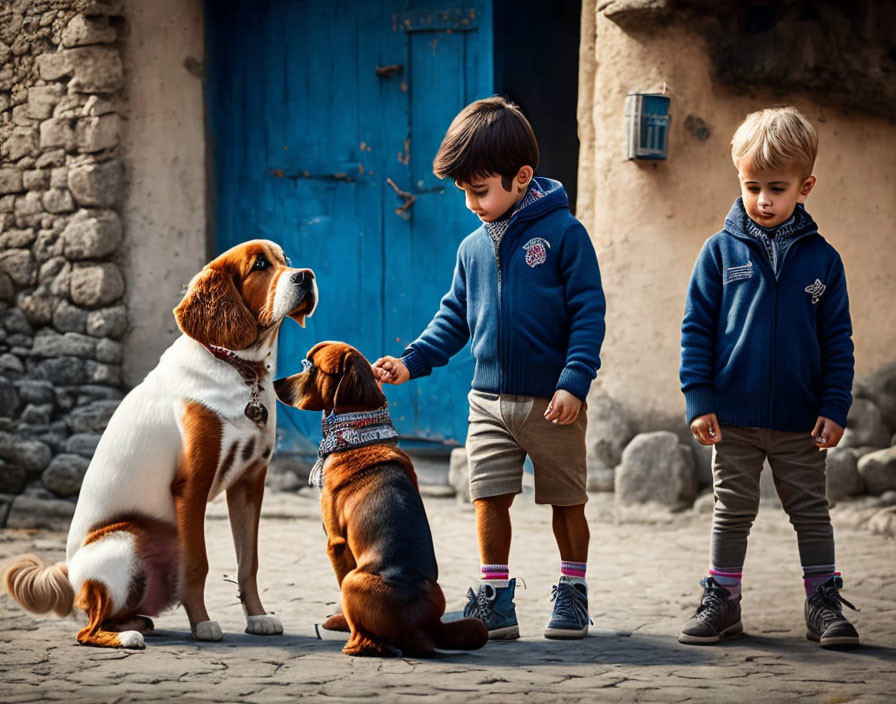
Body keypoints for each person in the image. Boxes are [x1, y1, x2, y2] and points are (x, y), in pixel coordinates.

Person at [373, 97, 606, 640]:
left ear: (522, 178)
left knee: (567, 501)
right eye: (465, 193)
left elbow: (589, 315)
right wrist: (411, 362)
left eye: (481, 190)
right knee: (489, 497)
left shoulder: (566, 235)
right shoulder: (472, 248)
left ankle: (572, 593)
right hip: (488, 404)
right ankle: (497, 596)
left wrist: (574, 382)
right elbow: (453, 318)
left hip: (554, 405)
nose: (473, 204)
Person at [679, 106, 859, 648]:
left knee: (811, 512)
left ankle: (822, 602)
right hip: (731, 417)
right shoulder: (718, 253)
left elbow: (838, 343)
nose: (762, 199)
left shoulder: (824, 262)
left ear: (805, 186)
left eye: (776, 188)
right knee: (731, 511)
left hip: (800, 423)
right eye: (752, 185)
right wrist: (699, 399)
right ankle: (723, 601)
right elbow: (696, 331)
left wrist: (834, 406)